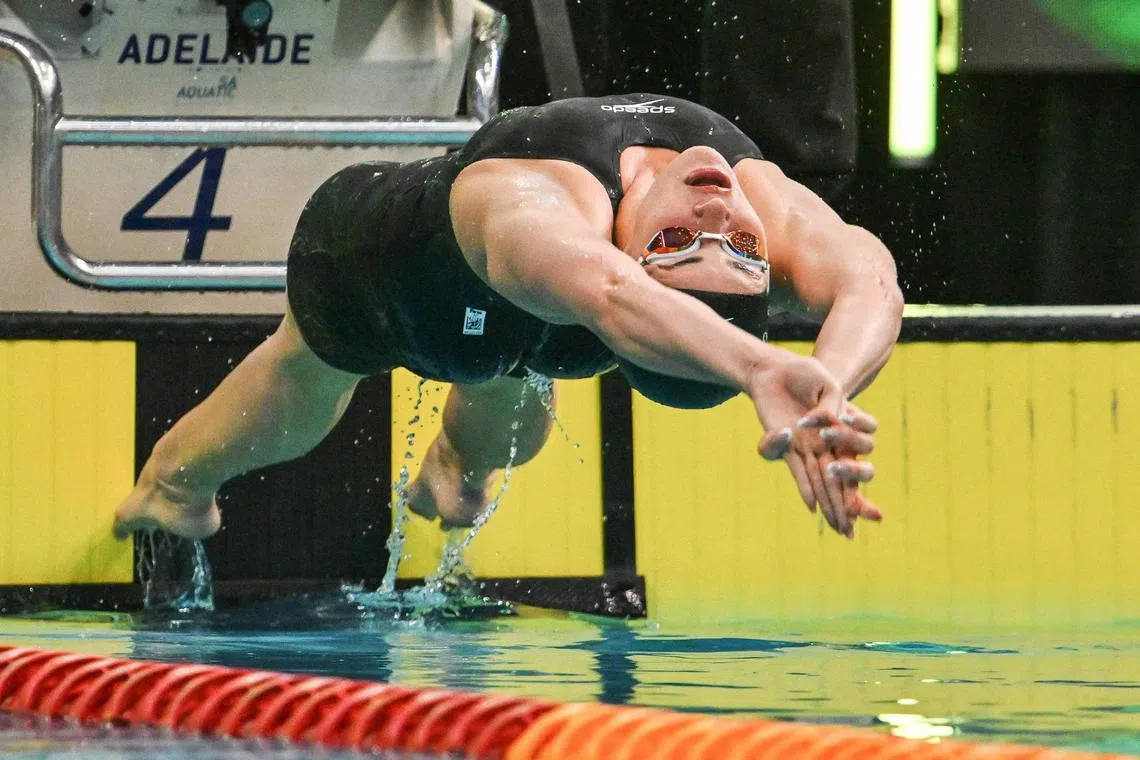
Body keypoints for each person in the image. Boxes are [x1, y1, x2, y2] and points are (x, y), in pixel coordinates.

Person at [113, 93, 903, 544]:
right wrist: (816, 383)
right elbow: (874, 282)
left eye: (676, 244)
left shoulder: (546, 212)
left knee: (313, 366)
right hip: (506, 296)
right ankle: (454, 475)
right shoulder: (759, 204)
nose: (717, 211)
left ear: (637, 256)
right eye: (741, 248)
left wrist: (788, 380)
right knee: (502, 372)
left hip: (405, 285)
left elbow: (607, 291)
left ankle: (172, 483)